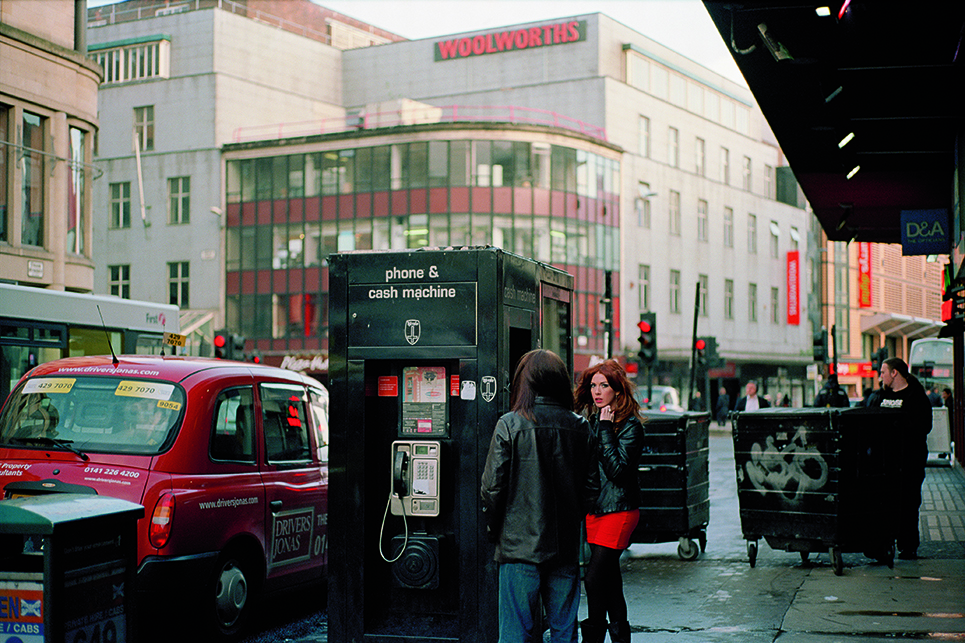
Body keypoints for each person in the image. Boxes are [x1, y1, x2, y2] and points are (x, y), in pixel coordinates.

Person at [481, 349, 600, 643]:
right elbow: (592, 490)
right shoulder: (579, 426)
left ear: (525, 383)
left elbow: (491, 488)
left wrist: (493, 530)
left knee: (515, 633)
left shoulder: (510, 424)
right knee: (564, 631)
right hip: (565, 547)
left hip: (518, 547)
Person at [574, 360, 646, 643]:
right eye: (593, 385)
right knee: (611, 582)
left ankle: (593, 639)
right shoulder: (593, 420)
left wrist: (604, 427)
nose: (597, 391)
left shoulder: (630, 427)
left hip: (619, 510)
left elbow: (617, 470)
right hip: (596, 509)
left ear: (618, 390)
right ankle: (620, 637)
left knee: (593, 579)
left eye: (604, 385)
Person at [868, 357, 932, 559]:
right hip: (884, 462)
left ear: (894, 373)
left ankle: (908, 546)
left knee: (909, 503)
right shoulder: (879, 397)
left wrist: (898, 426)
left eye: (883, 372)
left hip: (910, 462)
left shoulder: (917, 397)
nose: (881, 376)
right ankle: (880, 547)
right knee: (882, 504)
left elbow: (924, 426)